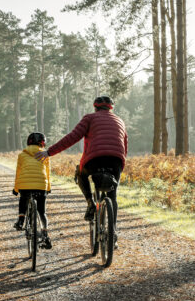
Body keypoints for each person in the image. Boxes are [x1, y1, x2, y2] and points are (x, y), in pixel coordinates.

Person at [36, 96, 128, 245]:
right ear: (111, 108)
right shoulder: (120, 120)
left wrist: (49, 152)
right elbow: (124, 144)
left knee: (81, 173)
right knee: (112, 195)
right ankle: (113, 234)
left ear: (95, 107)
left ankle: (90, 203)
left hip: (94, 160)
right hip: (116, 160)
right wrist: (119, 166)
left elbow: (72, 137)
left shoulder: (89, 118)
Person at [13, 132, 52, 249]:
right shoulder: (45, 155)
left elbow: (18, 173)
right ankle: (45, 234)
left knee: (23, 199)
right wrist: (48, 188)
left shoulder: (21, 155)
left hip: (25, 184)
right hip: (41, 185)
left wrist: (16, 189)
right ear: (42, 143)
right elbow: (48, 173)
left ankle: (20, 220)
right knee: (42, 212)